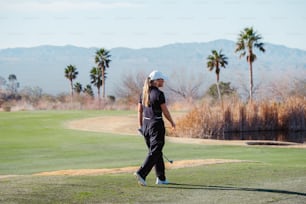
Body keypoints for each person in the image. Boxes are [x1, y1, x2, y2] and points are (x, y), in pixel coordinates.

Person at [134, 70, 176, 186]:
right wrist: (172, 122)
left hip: (146, 125)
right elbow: (165, 111)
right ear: (156, 81)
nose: (163, 81)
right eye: (162, 80)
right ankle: (142, 173)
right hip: (156, 125)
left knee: (156, 152)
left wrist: (140, 126)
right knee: (155, 151)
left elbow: (139, 111)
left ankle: (161, 178)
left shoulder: (143, 93)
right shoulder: (159, 94)